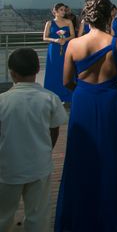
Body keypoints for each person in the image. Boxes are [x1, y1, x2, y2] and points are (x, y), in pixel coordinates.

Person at [54, 0, 117, 232]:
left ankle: (81, 213)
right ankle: (113, 213)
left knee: (81, 156)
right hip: (110, 100)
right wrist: (111, 88)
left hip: (83, 101)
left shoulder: (74, 44)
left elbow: (66, 81)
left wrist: (84, 90)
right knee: (112, 154)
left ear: (87, 16)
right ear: (107, 15)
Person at [0, 48, 67, 232]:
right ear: (37, 70)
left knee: (3, 214)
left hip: (8, 168)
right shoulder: (50, 98)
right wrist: (46, 150)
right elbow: (55, 130)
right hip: (39, 165)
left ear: (12, 72)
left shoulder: (3, 100)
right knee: (38, 214)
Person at [43, 3, 75, 103]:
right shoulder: (49, 23)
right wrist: (55, 40)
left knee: (66, 69)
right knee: (54, 70)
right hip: (54, 49)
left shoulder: (69, 22)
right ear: (55, 11)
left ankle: (67, 96)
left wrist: (65, 39)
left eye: (64, 10)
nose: (63, 12)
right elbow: (45, 37)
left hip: (66, 48)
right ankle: (53, 96)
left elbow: (73, 35)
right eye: (61, 10)